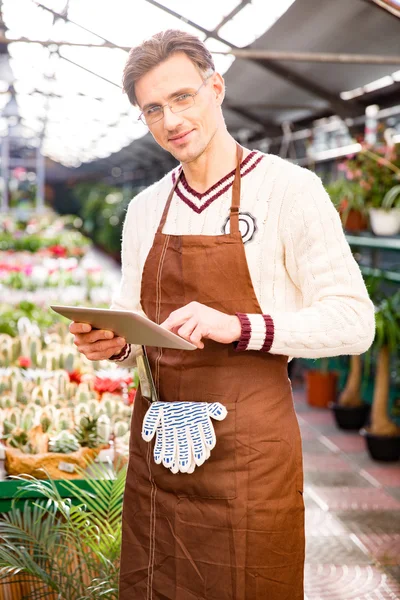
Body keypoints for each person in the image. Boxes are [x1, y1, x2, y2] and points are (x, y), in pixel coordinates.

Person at [71, 29, 375, 600]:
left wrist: (238, 325)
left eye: (182, 97)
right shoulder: (145, 209)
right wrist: (114, 342)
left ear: (217, 88)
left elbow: (354, 321)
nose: (170, 121)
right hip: (160, 445)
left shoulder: (290, 190)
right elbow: (133, 318)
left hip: (251, 454)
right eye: (152, 109)